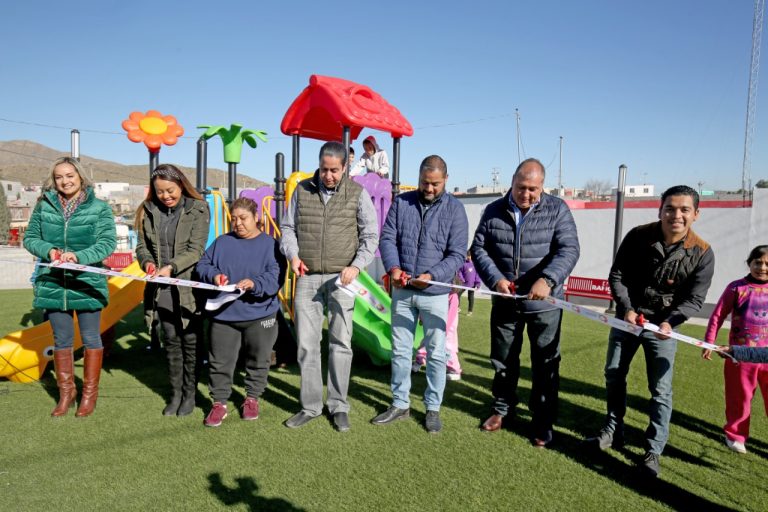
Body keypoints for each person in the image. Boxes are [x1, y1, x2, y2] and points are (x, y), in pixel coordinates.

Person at [586, 185, 715, 478]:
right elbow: (617, 276)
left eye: (684, 210)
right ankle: (613, 430)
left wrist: (671, 322)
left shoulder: (703, 253)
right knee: (614, 374)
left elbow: (694, 299)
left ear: (696, 214)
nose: (676, 215)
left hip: (664, 328)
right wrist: (628, 309)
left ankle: (653, 451)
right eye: (670, 208)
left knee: (660, 390)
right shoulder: (638, 235)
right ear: (660, 210)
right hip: (627, 319)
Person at [471, 158, 579, 447]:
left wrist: (548, 279)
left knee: (545, 364)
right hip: (505, 302)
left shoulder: (557, 210)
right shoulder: (493, 210)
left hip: (544, 307)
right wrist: (495, 280)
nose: (527, 194)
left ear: (543, 187)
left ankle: (542, 420)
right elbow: (479, 249)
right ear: (512, 182)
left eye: (533, 189)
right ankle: (502, 409)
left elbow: (569, 250)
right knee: (503, 360)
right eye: (521, 187)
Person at [279, 141, 379, 432]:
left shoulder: (358, 194)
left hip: (342, 279)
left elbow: (370, 236)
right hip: (308, 277)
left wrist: (356, 266)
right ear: (319, 165)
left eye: (335, 170)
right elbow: (287, 228)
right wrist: (293, 255)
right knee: (307, 346)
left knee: (341, 344)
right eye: (324, 169)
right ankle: (310, 406)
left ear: (345, 167)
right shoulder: (302, 190)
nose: (329, 175)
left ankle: (338, 405)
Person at [372, 155, 468, 433]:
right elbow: (387, 237)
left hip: (435, 294)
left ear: (445, 180)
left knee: (437, 354)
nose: (429, 188)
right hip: (403, 291)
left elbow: (457, 253)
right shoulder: (402, 203)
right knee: (401, 352)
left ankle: (433, 408)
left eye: (435, 184)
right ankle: (400, 403)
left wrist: (433, 276)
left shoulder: (455, 210)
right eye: (424, 183)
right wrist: (393, 267)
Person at [23, 156, 117, 417]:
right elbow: (30, 238)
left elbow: (107, 243)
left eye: (69, 175)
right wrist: (49, 250)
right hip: (53, 282)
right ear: (54, 180)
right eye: (59, 177)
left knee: (90, 338)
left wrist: (79, 257)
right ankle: (67, 394)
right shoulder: (44, 207)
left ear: (80, 176)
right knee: (61, 340)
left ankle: (89, 396)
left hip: (86, 283)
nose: (64, 181)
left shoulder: (99, 208)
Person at [196, 198, 284, 427]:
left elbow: (276, 275)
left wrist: (255, 284)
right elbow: (203, 265)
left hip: (261, 315)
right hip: (224, 315)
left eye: (243, 218)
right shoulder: (222, 242)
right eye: (233, 219)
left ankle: (252, 399)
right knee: (219, 362)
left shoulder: (271, 245)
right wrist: (214, 276)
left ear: (256, 218)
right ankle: (219, 403)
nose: (238, 223)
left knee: (259, 360)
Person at [135, 164, 210, 417]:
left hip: (189, 287)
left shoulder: (198, 209)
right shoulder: (148, 211)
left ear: (181, 185)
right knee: (171, 342)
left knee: (191, 342)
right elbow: (142, 247)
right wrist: (147, 263)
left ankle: (190, 395)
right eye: (160, 192)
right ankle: (175, 393)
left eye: (170, 190)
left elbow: (196, 249)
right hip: (162, 289)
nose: (166, 196)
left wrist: (171, 267)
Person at [702, 245, 768, 454]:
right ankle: (736, 435)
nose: (762, 267)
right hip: (740, 357)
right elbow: (718, 315)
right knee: (739, 398)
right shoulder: (736, 288)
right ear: (750, 263)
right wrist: (709, 342)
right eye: (758, 262)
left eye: (767, 264)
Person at [413, 274, 463, 380]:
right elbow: (427, 306)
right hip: (433, 322)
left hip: (447, 328)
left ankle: (454, 370)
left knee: (447, 347)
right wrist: (422, 318)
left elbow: (451, 314)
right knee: (426, 340)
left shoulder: (453, 297)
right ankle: (419, 360)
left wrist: (444, 328)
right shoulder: (437, 294)